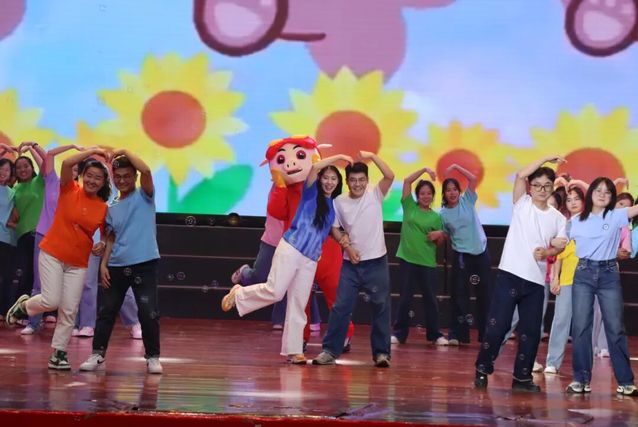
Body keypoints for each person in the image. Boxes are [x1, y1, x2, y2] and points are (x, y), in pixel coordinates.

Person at [221, 154, 351, 364]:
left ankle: (294, 350)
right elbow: (315, 167)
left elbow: (332, 231)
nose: (329, 182)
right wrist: (339, 157)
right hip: (291, 247)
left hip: (311, 259)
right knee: (275, 290)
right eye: (326, 177)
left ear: (338, 183)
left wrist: (346, 242)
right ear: (320, 179)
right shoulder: (310, 192)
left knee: (298, 303)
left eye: (333, 179)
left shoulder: (333, 207)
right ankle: (239, 294)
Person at [5, 147, 111, 370]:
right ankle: (24, 306)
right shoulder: (69, 188)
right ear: (82, 175)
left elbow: (105, 234)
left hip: (78, 263)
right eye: (89, 175)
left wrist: (101, 243)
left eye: (98, 178)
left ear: (103, 183)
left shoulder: (103, 208)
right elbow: (66, 164)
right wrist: (92, 151)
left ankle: (59, 353)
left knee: (69, 309)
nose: (92, 181)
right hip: (52, 253)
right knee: (51, 300)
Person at [474, 156, 567, 392]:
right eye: (537, 185)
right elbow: (520, 175)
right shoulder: (522, 203)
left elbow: (560, 246)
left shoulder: (558, 218)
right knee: (498, 325)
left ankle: (522, 378)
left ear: (552, 187)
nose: (542, 190)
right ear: (530, 187)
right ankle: (483, 368)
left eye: (547, 185)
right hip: (510, 274)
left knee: (531, 332)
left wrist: (547, 251)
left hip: (536, 281)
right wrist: (545, 158)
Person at [79, 150, 162, 374]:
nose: (122, 180)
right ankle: (97, 354)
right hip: (116, 265)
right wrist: (103, 264)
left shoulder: (145, 195)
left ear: (134, 177)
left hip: (145, 263)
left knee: (148, 312)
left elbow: (147, 170)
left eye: (127, 176)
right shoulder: (111, 206)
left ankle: (153, 357)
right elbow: (111, 237)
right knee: (106, 311)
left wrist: (124, 151)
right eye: (118, 177)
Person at [312, 152, 395, 368]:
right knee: (340, 307)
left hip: (376, 262)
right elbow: (335, 228)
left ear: (367, 180)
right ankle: (329, 351)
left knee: (381, 306)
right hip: (350, 264)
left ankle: (381, 353)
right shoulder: (339, 201)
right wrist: (347, 247)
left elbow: (389, 175)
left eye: (361, 180)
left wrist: (373, 156)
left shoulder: (375, 194)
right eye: (353, 180)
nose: (357, 184)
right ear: (347, 182)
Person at [566, 177, 638, 396]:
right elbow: (558, 241)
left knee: (615, 327)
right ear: (591, 193)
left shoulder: (616, 216)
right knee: (581, 327)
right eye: (598, 190)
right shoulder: (576, 220)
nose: (602, 195)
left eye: (607, 192)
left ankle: (625, 382)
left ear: (612, 197)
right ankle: (581, 379)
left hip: (608, 274)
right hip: (583, 273)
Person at [20, 142, 85, 335]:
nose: (72, 172)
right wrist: (73, 146)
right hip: (43, 236)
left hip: (66, 240)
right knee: (39, 282)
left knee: (68, 285)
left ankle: (71, 324)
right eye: (70, 167)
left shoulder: (79, 192)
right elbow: (49, 155)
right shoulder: (51, 181)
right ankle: (33, 323)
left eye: (76, 170)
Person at [391, 166, 447, 345]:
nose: (425, 196)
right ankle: (399, 334)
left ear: (433, 196)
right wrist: (424, 170)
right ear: (417, 195)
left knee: (430, 299)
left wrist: (440, 235)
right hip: (407, 259)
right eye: (422, 193)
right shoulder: (409, 206)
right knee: (405, 299)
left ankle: (435, 335)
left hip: (427, 262)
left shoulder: (436, 217)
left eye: (429, 193)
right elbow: (407, 180)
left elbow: (439, 243)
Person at [439, 163, 492, 345]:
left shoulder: (467, 200)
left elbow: (473, 179)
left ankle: (486, 334)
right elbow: (445, 234)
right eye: (448, 190)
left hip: (480, 253)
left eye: (455, 189)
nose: (452, 193)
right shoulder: (443, 214)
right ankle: (458, 335)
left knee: (484, 295)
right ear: (444, 194)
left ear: (459, 191)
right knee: (459, 296)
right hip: (461, 256)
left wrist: (455, 167)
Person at [544, 186, 585, 374]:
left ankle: (584, 366)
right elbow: (558, 256)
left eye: (577, 198)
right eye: (569, 200)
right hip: (568, 279)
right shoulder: (565, 225)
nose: (573, 203)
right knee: (560, 320)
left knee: (583, 324)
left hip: (587, 279)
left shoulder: (592, 222)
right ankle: (553, 362)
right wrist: (555, 278)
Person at [0, 146, 17, 317]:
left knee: (5, 276)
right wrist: (5, 149)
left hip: (5, 239)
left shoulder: (12, 192)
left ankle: (2, 310)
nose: (3, 172)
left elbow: (14, 216)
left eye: (7, 170)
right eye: (1, 168)